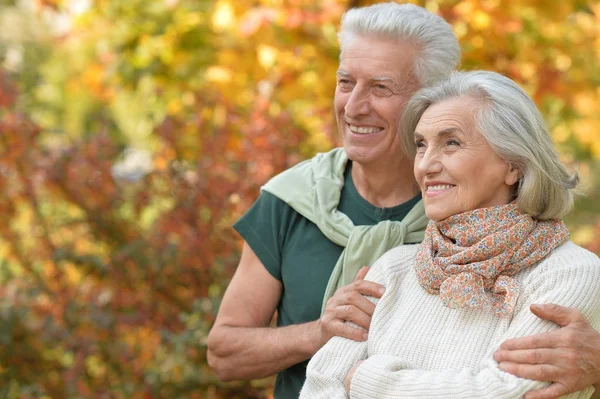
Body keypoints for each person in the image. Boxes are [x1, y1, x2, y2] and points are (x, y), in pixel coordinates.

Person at [207, 3, 600, 398]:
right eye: (345, 82)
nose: (354, 106)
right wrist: (321, 332)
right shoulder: (301, 205)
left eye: (381, 87)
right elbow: (235, 357)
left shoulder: (476, 218)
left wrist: (364, 379)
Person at [299, 70, 600, 399]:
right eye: (421, 145)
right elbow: (320, 386)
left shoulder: (569, 273)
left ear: (513, 164)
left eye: (451, 143)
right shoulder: (394, 268)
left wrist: (365, 381)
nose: (426, 165)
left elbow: (507, 394)